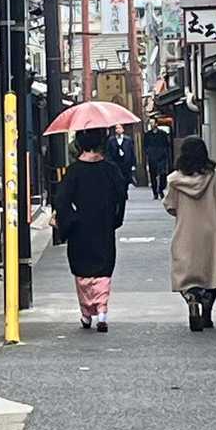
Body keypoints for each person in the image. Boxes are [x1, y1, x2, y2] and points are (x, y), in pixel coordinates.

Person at [53, 127, 127, 332]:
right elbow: (121, 195)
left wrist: (68, 221)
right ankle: (102, 309)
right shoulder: (110, 169)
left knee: (82, 271)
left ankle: (86, 313)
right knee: (103, 270)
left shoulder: (74, 171)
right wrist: (115, 219)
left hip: (80, 228)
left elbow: (62, 200)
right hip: (103, 225)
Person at [163, 135, 216, 331]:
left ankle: (192, 297)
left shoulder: (174, 180)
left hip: (185, 232)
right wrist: (214, 213)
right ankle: (207, 314)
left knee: (185, 274)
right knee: (211, 274)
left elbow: (170, 206)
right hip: (212, 233)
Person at [144, 118, 172, 199]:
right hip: (152, 157)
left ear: (156, 124)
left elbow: (167, 145)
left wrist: (165, 153)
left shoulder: (163, 134)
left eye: (153, 123)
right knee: (153, 175)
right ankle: (155, 192)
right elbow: (145, 146)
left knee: (163, 174)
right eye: (150, 123)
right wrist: (148, 152)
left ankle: (161, 189)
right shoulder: (147, 135)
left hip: (161, 157)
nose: (151, 124)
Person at [105, 122, 136, 191]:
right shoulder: (111, 140)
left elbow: (132, 152)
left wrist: (133, 164)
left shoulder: (128, 140)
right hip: (116, 163)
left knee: (126, 181)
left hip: (126, 164)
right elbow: (108, 152)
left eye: (120, 128)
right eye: (117, 128)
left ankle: (125, 191)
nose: (118, 130)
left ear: (123, 129)